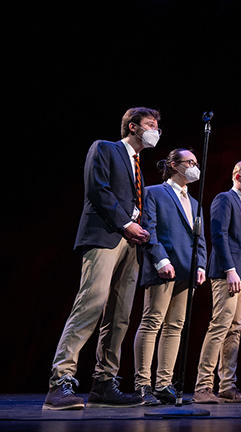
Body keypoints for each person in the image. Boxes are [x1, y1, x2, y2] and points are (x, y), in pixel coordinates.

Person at [44, 107, 160, 410]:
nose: (156, 131)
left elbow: (135, 201)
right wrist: (126, 222)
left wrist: (140, 229)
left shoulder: (138, 165)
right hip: (106, 236)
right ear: (133, 127)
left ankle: (104, 383)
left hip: (131, 243)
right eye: (150, 125)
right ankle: (60, 381)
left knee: (119, 316)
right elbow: (99, 189)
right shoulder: (105, 148)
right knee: (91, 304)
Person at [132, 148, 207, 405]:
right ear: (174, 164)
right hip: (163, 267)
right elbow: (149, 228)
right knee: (152, 322)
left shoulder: (195, 203)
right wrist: (160, 259)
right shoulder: (154, 193)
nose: (194, 167)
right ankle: (143, 384)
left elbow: (201, 239)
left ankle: (164, 383)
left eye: (196, 163)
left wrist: (201, 265)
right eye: (190, 162)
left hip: (187, 271)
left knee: (175, 326)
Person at [193, 161, 241, 404]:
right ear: (238, 176)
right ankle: (203, 387)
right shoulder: (225, 199)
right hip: (227, 271)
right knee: (220, 326)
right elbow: (219, 235)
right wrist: (231, 270)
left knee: (236, 327)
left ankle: (227, 385)